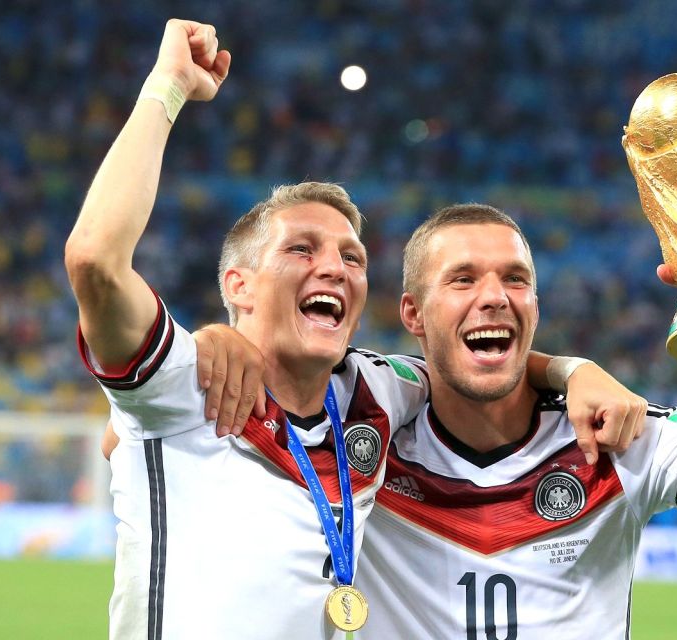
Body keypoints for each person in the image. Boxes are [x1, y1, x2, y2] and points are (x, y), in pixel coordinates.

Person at [71, 19, 645, 639]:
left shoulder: (379, 390)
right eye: (302, 250)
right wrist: (167, 88)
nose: (334, 268)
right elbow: (95, 262)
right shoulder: (187, 382)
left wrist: (573, 370)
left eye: (352, 258)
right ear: (238, 285)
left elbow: (471, 362)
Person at [195, 198, 677, 638]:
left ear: (535, 303)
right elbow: (134, 436)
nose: (494, 297)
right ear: (414, 315)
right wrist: (223, 344)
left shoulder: (615, 433)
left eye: (515, 279)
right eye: (463, 279)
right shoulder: (365, 426)